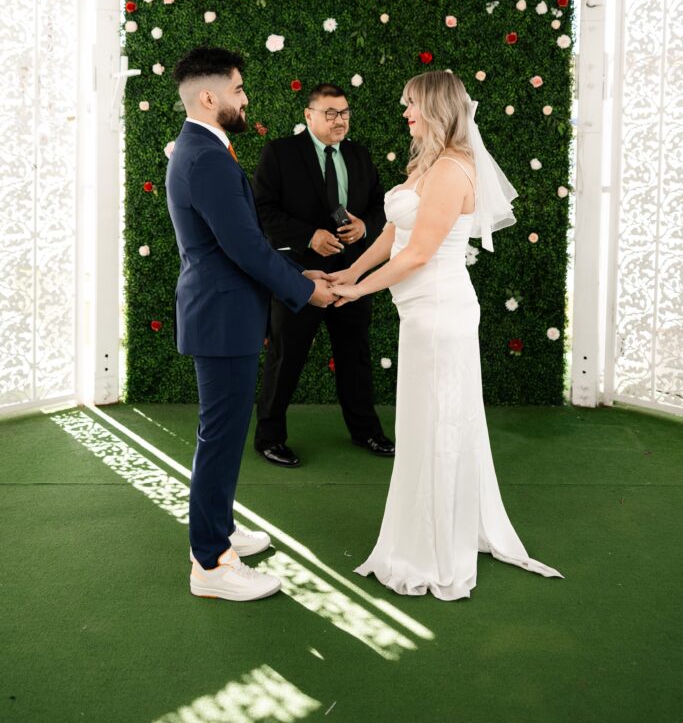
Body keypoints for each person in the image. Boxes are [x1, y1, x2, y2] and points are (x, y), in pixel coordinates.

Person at [329, 70, 563, 600]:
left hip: (440, 313)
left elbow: (417, 253)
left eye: (411, 104)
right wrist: (348, 272)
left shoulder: (455, 169)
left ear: (434, 108)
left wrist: (357, 291)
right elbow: (393, 234)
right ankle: (430, 525)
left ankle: (437, 545)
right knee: (423, 422)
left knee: (438, 423)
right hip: (420, 313)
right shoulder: (425, 164)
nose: (405, 112)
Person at [165, 47, 334, 602]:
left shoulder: (201, 148)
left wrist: (297, 269)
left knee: (225, 433)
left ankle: (221, 531)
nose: (245, 99)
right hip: (221, 316)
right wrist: (307, 289)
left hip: (223, 311)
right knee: (219, 438)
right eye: (238, 90)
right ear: (208, 97)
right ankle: (210, 564)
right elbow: (240, 248)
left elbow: (243, 243)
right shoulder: (207, 156)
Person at [251, 83, 394, 467]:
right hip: (299, 273)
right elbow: (263, 210)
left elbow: (383, 208)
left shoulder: (360, 155)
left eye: (344, 113)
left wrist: (365, 227)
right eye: (330, 113)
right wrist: (308, 236)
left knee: (355, 354)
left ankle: (366, 430)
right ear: (308, 115)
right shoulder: (280, 153)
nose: (340, 121)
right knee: (286, 356)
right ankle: (268, 437)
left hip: (353, 273)